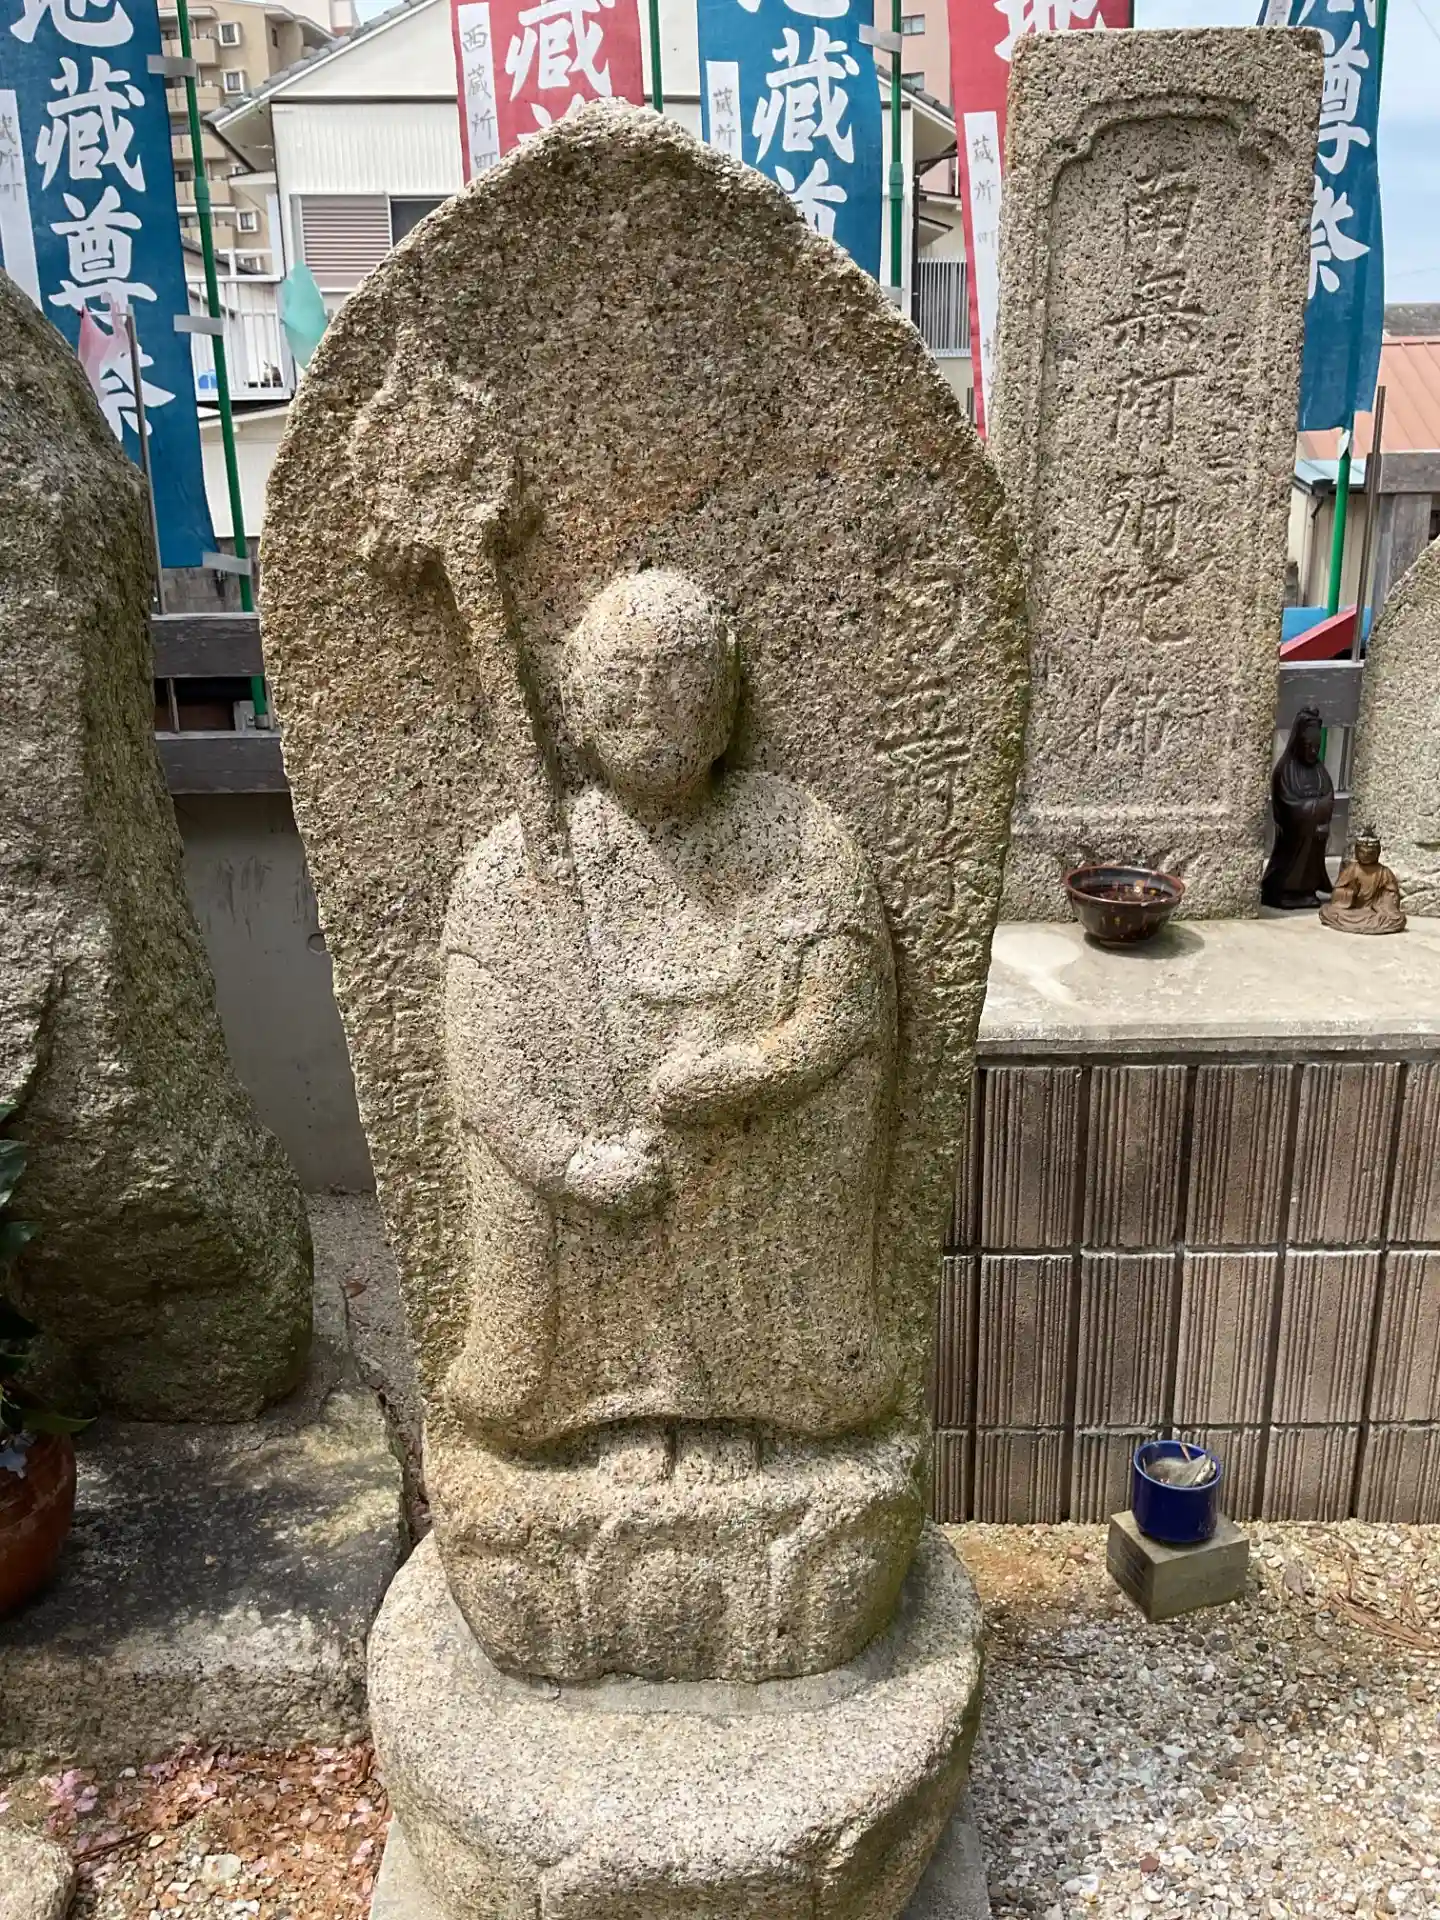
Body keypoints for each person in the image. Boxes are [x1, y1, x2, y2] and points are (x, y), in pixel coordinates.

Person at [438, 569, 900, 1451]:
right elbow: (482, 1065)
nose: (650, 702)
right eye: (622, 677)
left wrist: (749, 1073)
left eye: (680, 676)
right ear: (577, 705)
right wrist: (572, 1162)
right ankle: (607, 1412)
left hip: (748, 1161)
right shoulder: (516, 865)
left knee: (808, 1127)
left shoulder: (798, 837)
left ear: (725, 705)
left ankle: (755, 1404)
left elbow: (844, 1011)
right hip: (600, 1175)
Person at [1261, 705, 1334, 909]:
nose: (1313, 751)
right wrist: (1314, 808)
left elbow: (1328, 795)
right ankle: (1282, 890)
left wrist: (1320, 810)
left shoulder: (1319, 770)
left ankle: (1307, 890)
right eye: (1309, 745)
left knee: (1311, 859)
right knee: (1290, 859)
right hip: (1294, 834)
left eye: (1317, 746)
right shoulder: (1285, 769)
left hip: (1314, 832)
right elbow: (1287, 804)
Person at [1320, 829, 1407, 935]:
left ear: (1378, 852)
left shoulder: (1384, 872)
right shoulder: (1352, 869)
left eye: (1370, 853)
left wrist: (1382, 902)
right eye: (1362, 852)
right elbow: (1337, 892)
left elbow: (1392, 894)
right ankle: (1368, 924)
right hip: (1353, 910)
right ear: (1356, 851)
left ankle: (1368, 923)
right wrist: (1351, 893)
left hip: (1374, 911)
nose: (1366, 856)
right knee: (1327, 911)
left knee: (1397, 918)